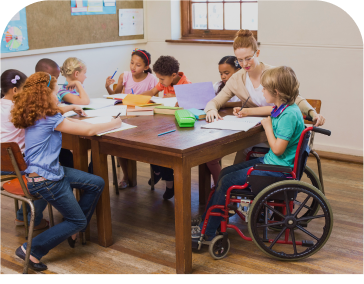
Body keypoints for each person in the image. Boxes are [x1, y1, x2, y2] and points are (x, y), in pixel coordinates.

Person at [11, 72, 122, 272]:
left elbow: (73, 122)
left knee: (96, 183)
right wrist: (115, 123)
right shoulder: (48, 117)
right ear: (46, 95)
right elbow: (88, 132)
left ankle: (73, 229)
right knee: (77, 220)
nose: (58, 96)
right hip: (47, 180)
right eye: (56, 92)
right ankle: (31, 249)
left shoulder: (38, 112)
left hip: (47, 173)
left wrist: (86, 120)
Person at [192, 66, 305, 241]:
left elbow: (277, 149)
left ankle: (207, 231)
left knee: (227, 181)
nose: (262, 90)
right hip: (274, 163)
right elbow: (268, 111)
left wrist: (267, 127)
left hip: (277, 169)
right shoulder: (285, 108)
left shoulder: (288, 116)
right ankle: (210, 220)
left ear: (275, 92)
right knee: (224, 173)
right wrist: (248, 112)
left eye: (264, 88)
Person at [204, 30, 326, 164]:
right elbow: (215, 101)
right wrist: (211, 110)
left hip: (278, 134)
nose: (245, 64)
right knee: (236, 161)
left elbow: (295, 98)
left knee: (240, 162)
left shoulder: (273, 74)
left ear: (257, 53)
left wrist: (312, 113)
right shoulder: (236, 79)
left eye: (248, 58)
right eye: (240, 60)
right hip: (256, 132)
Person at [0, 69, 49, 231]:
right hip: (16, 164)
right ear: (15, 90)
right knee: (48, 176)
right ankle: (32, 219)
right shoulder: (17, 110)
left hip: (2, 163)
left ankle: (22, 216)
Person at [105, 49, 158, 189]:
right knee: (119, 143)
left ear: (146, 67)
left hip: (145, 119)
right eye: (132, 63)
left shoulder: (152, 79)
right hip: (127, 116)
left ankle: (157, 171)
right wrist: (108, 87)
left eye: (138, 65)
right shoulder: (125, 76)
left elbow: (156, 100)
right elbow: (116, 97)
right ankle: (126, 176)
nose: (133, 67)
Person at [142, 56, 192, 199]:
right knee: (149, 143)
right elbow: (151, 92)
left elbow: (190, 106)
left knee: (165, 153)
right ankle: (157, 171)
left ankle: (169, 185)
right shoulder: (164, 82)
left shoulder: (186, 85)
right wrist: (136, 98)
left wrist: (176, 99)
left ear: (173, 75)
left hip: (179, 128)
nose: (160, 82)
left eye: (162, 79)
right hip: (163, 122)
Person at [206, 56, 243, 187]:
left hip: (238, 129)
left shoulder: (243, 87)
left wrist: (224, 104)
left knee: (212, 158)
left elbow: (245, 104)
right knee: (209, 157)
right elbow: (213, 102)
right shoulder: (218, 86)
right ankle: (219, 185)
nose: (223, 76)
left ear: (239, 71)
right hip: (220, 126)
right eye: (221, 73)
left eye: (226, 73)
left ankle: (222, 185)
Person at [35, 58, 79, 169]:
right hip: (43, 152)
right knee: (67, 155)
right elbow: (50, 114)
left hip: (47, 145)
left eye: (57, 78)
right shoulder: (37, 98)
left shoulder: (47, 93)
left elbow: (53, 110)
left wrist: (70, 107)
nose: (55, 81)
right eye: (53, 78)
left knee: (67, 155)